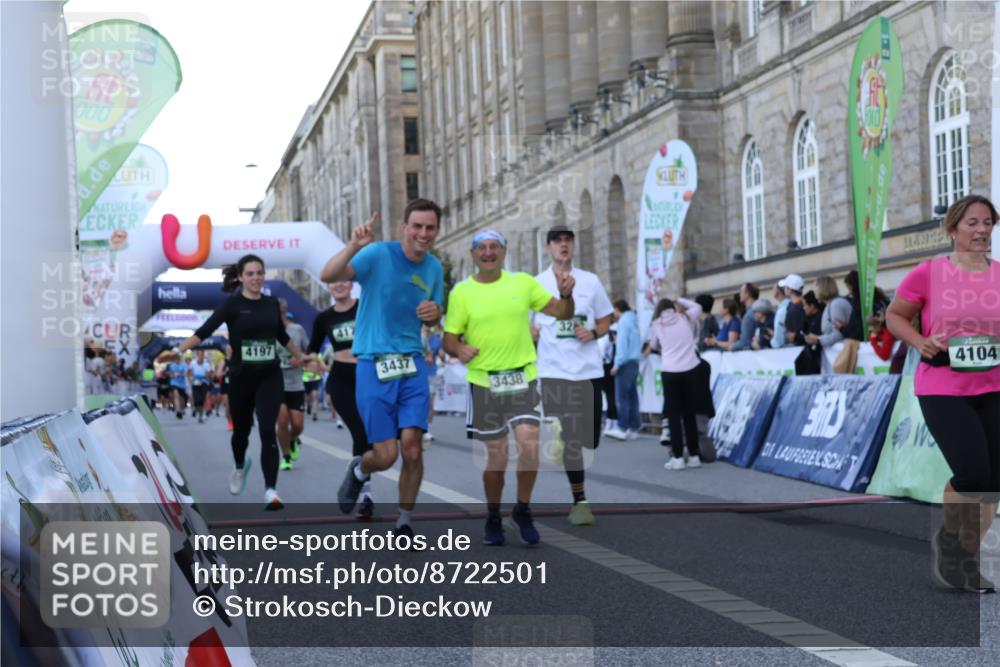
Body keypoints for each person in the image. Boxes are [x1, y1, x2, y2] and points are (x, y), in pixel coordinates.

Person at [886, 195, 999, 593]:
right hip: (943, 384)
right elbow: (895, 316)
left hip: (993, 384)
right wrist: (919, 341)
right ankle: (953, 545)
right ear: (953, 229)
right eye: (973, 223)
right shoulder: (929, 273)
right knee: (973, 473)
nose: (982, 230)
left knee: (994, 479)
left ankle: (962, 558)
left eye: (988, 222)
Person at [443, 228, 575, 546]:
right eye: (482, 248)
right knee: (497, 459)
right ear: (474, 254)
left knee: (529, 447)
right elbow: (449, 339)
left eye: (494, 247)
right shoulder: (461, 292)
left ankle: (522, 509)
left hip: (522, 378)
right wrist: (459, 349)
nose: (488, 253)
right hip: (484, 382)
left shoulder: (523, 283)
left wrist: (566, 296)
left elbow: (562, 314)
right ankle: (493, 515)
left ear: (504, 251)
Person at [322, 200, 445, 542]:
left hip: (412, 362)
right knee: (386, 456)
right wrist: (353, 246)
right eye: (417, 226)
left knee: (413, 448)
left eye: (430, 227)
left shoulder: (434, 267)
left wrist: (434, 313)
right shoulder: (377, 254)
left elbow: (435, 312)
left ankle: (404, 522)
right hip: (374, 363)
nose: (423, 233)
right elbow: (328, 275)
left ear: (437, 230)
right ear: (405, 227)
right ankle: (361, 468)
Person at [180, 254, 307, 511]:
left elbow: (281, 336)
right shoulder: (232, 305)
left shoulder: (271, 303)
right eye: (250, 273)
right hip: (241, 378)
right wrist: (178, 350)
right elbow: (204, 331)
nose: (256, 278)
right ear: (240, 277)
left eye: (260, 272)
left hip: (269, 376)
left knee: (268, 430)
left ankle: (271, 491)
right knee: (241, 433)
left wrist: (301, 356)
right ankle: (240, 466)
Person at [533, 224, 614, 526]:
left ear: (573, 245)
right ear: (548, 247)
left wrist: (593, 332)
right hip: (554, 369)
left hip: (588, 369)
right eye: (557, 241)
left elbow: (606, 318)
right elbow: (525, 322)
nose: (563, 245)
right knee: (572, 438)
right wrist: (531, 331)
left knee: (590, 439)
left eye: (568, 240)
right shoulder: (536, 284)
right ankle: (580, 501)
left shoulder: (590, 281)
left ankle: (565, 437)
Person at [309, 280, 375, 520]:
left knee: (374, 438)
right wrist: (314, 362)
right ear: (329, 287)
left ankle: (358, 474)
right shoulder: (324, 318)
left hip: (368, 375)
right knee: (360, 433)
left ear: (350, 284)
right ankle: (366, 497)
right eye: (333, 282)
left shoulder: (365, 307)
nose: (339, 286)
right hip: (340, 379)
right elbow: (312, 349)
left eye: (343, 281)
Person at [647, 297, 705, 470]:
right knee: (689, 415)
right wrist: (679, 299)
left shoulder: (657, 324)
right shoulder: (685, 317)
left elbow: (654, 345)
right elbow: (698, 306)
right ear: (673, 307)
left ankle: (678, 457)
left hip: (670, 371)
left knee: (673, 416)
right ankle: (694, 456)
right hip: (691, 369)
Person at [276, 299, 311, 471]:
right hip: (276, 383)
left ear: (284, 310)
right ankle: (286, 456)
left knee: (298, 425)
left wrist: (300, 358)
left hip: (295, 383)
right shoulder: (267, 331)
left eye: (280, 310)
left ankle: (292, 439)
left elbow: (309, 351)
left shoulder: (297, 330)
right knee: (282, 421)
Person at [605, 300, 641, 440]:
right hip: (634, 361)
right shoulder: (634, 320)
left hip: (625, 362)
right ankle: (634, 427)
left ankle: (622, 427)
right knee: (632, 396)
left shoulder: (623, 322)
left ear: (617, 309)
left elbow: (622, 344)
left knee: (622, 397)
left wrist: (617, 364)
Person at [805, 275, 852, 349]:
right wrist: (818, 338)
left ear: (822, 288)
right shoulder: (830, 304)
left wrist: (818, 339)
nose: (813, 291)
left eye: (815, 287)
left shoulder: (836, 304)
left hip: (843, 351)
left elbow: (839, 335)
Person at [422, 323, 444, 447]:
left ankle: (427, 429)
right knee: (420, 402)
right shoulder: (417, 337)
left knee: (431, 403)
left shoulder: (436, 340)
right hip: (418, 375)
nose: (426, 327)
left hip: (431, 374)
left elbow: (442, 355)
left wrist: (442, 355)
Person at [598, 327, 618, 432]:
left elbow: (601, 354)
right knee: (611, 396)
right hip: (609, 367)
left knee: (608, 396)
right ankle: (611, 422)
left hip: (604, 368)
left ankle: (610, 423)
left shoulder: (604, 337)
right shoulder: (610, 335)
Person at [730, 283, 760, 351]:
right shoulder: (761, 310)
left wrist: (732, 346)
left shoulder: (749, 315)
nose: (739, 294)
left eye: (741, 292)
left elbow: (745, 342)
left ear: (747, 294)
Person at [780, 275, 807, 346]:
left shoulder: (795, 309)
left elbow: (793, 334)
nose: (784, 289)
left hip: (797, 347)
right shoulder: (804, 304)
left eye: (785, 287)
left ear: (790, 290)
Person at [188, 349, 214, 423]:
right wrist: (190, 379)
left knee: (202, 399)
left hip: (204, 383)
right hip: (195, 383)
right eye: (199, 355)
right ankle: (199, 412)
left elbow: (211, 374)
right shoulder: (193, 363)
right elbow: (189, 372)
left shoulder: (206, 364)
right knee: (197, 400)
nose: (201, 357)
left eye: (202, 355)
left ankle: (201, 415)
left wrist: (208, 375)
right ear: (197, 356)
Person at [168, 351, 189, 419]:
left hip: (182, 384)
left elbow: (187, 373)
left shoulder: (183, 365)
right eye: (175, 359)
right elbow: (170, 374)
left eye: (177, 359)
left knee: (182, 398)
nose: (176, 360)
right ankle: (178, 410)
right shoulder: (172, 366)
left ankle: (182, 409)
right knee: (176, 395)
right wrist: (173, 375)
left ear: (179, 359)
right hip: (174, 383)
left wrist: (180, 374)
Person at [770, 283, 789, 349]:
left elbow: (779, 341)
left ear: (778, 290)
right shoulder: (783, 307)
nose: (772, 290)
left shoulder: (783, 309)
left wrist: (772, 341)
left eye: (774, 288)